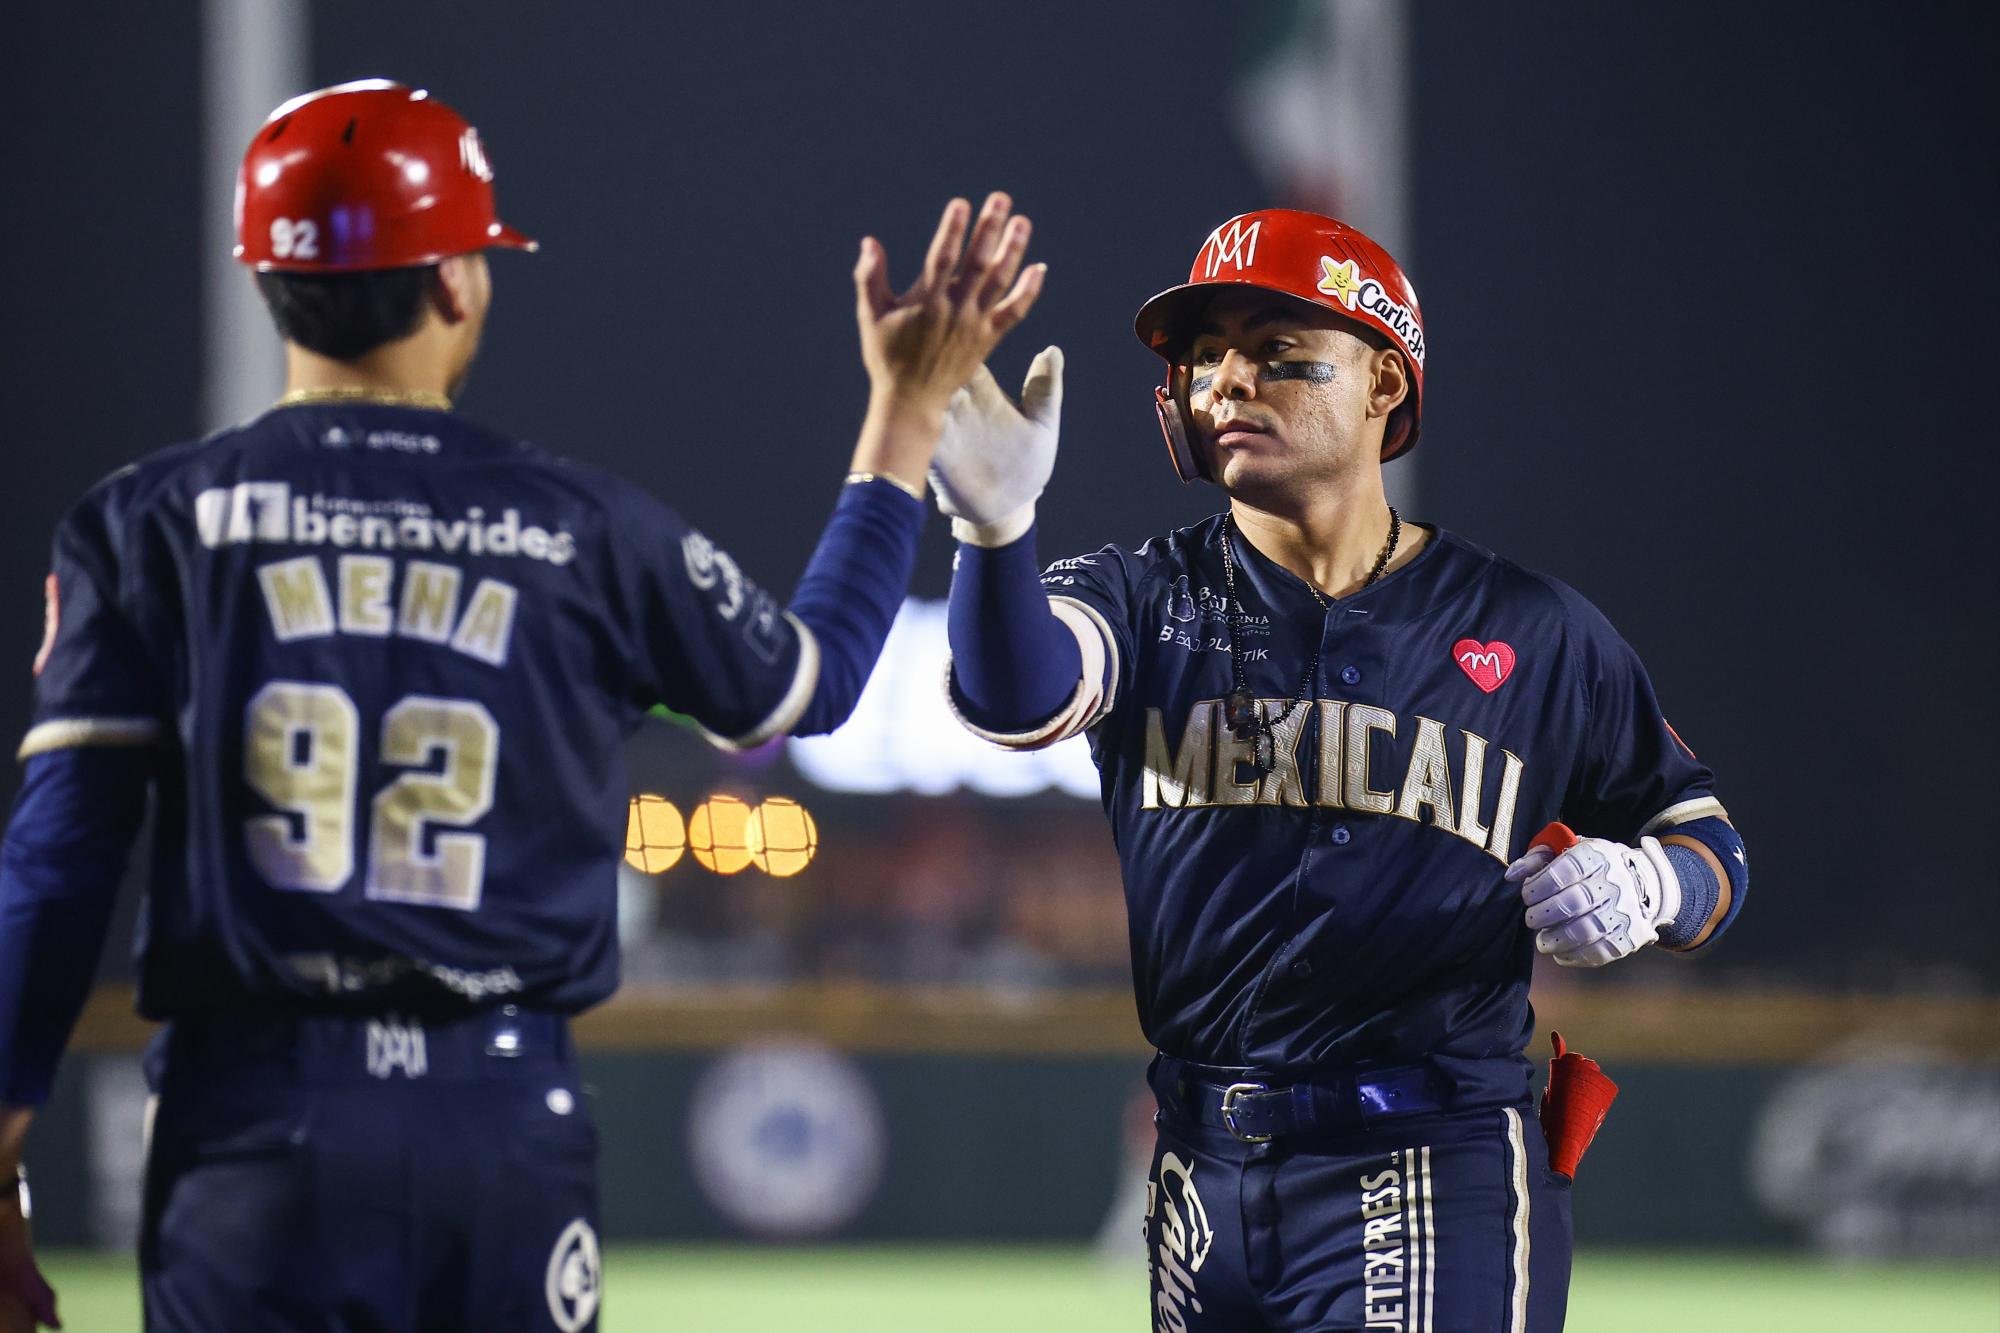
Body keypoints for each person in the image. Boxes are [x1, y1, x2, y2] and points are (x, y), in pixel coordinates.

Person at [0, 78, 1044, 1333]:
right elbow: (803, 691)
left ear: (266, 282)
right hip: (496, 1122)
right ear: (457, 282)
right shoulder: (577, 527)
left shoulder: (145, 525)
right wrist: (908, 411)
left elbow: (57, 871)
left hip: (250, 1123)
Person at [930, 208, 1747, 1331]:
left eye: (1276, 351)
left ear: (1382, 385)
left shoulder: (1532, 629)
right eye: (1203, 355)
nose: (1226, 379)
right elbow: (1012, 697)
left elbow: (1707, 842)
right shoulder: (1141, 593)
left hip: (1433, 1154)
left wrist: (1651, 886)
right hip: (1199, 1161)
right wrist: (995, 531)